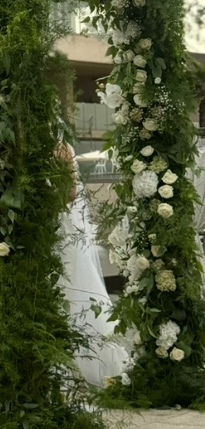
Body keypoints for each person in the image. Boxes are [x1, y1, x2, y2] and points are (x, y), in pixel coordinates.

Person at [57, 145, 127, 385]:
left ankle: (87, 363)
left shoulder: (60, 147)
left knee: (74, 291)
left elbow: (70, 192)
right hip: (44, 233)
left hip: (60, 232)